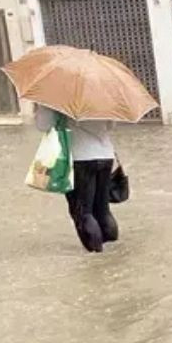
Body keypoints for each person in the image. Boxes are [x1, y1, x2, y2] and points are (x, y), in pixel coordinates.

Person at [34, 104, 118, 253]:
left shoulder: (58, 98)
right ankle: (112, 250)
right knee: (102, 208)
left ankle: (96, 254)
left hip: (80, 158)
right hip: (106, 155)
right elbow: (110, 125)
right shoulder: (102, 96)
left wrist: (41, 108)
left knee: (83, 211)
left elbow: (43, 125)